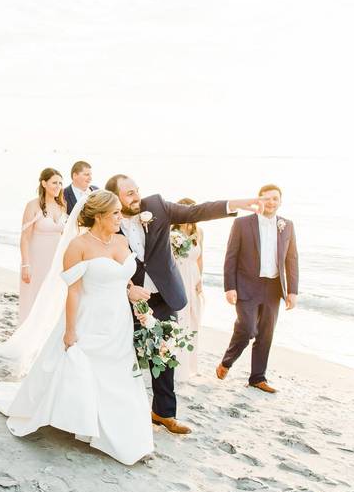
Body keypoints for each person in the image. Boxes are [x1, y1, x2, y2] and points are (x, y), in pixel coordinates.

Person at [0, 190, 153, 465]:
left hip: (118, 320)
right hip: (89, 318)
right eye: (115, 214)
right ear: (99, 216)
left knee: (118, 373)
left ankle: (122, 432)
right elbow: (73, 292)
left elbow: (121, 278)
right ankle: (86, 423)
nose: (120, 218)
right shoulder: (78, 246)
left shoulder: (121, 241)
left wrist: (132, 290)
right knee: (86, 368)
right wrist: (70, 330)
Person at [105, 174, 262, 435]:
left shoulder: (156, 206)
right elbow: (101, 259)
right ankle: (119, 408)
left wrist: (236, 204)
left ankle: (163, 413)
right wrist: (127, 289)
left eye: (137, 190)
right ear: (115, 197)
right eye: (129, 193)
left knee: (164, 354)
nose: (136, 197)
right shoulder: (108, 219)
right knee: (123, 353)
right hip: (127, 299)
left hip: (164, 296)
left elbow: (196, 211)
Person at [216, 184, 299, 393]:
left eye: (275, 199)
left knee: (266, 334)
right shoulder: (242, 223)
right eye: (267, 198)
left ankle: (257, 378)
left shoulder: (287, 225)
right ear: (259, 200)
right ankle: (227, 361)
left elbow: (292, 258)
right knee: (247, 328)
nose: (272, 202)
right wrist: (229, 286)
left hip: (273, 287)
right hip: (247, 284)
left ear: (280, 202)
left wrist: (292, 291)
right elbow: (231, 256)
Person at [19, 168, 66, 324]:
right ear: (44, 183)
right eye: (54, 182)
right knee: (33, 299)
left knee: (51, 300)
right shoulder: (32, 205)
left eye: (60, 183)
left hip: (55, 262)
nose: (58, 186)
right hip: (36, 260)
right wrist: (26, 264)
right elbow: (25, 238)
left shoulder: (62, 206)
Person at [171, 198, 204, 381]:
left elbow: (199, 258)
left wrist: (200, 280)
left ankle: (190, 364)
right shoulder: (170, 232)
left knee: (193, 319)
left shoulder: (199, 232)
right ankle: (177, 365)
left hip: (193, 278)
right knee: (180, 318)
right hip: (178, 277)